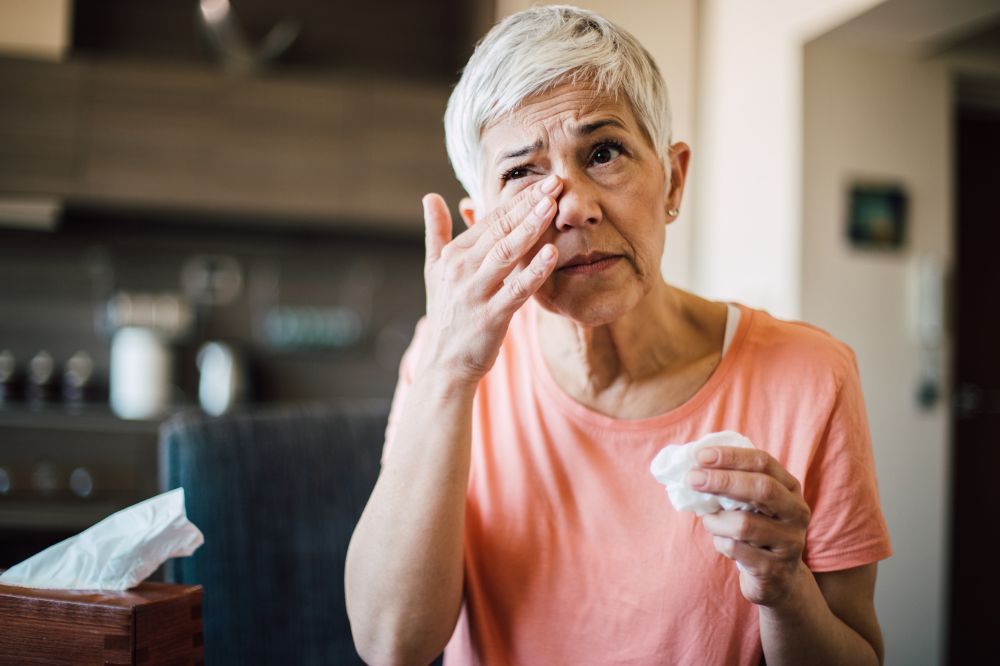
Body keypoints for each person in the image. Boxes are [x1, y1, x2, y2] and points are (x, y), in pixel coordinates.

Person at [345, 5, 891, 665]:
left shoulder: (812, 374)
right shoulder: (444, 360)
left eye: (603, 153)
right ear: (481, 223)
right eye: (522, 173)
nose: (573, 205)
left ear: (674, 179)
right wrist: (446, 372)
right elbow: (390, 645)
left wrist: (784, 587)